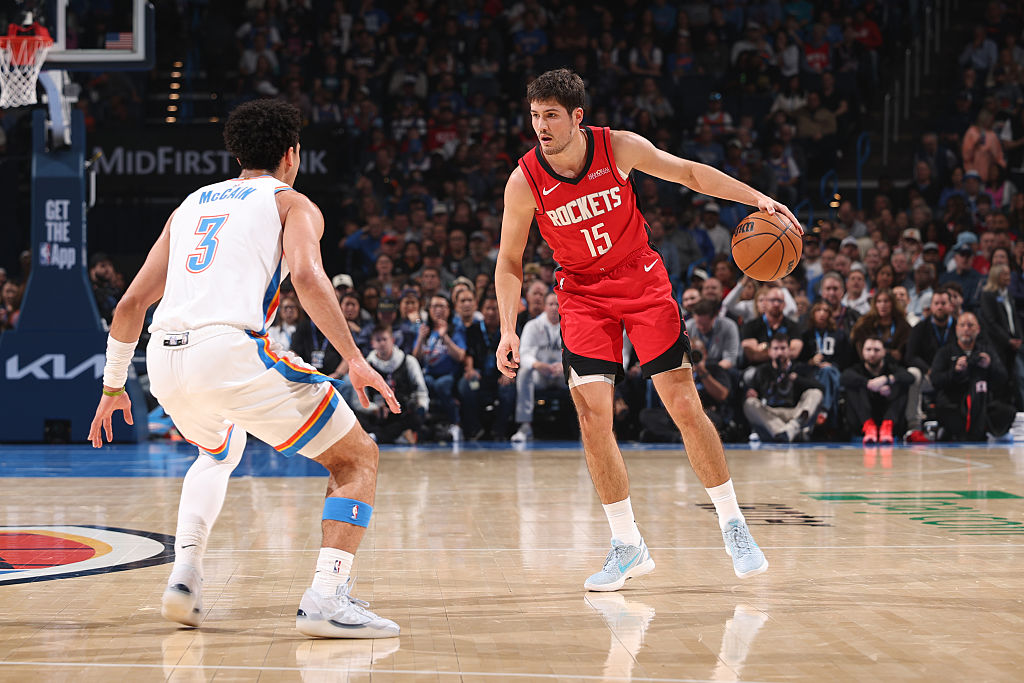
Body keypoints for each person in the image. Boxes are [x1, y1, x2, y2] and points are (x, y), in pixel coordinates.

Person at [87, 100, 400, 638]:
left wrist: (114, 385)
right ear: (291, 154)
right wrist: (353, 357)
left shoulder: (188, 206)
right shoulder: (291, 203)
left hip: (164, 358)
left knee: (218, 450)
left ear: (237, 153)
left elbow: (130, 305)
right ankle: (327, 596)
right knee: (356, 458)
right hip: (228, 350)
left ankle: (184, 577)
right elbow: (306, 274)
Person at [495, 69, 802, 588]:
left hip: (640, 280)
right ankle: (627, 544)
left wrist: (757, 200)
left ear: (576, 117)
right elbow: (508, 260)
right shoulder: (525, 181)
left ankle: (733, 523)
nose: (541, 127)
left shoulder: (619, 148)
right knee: (593, 420)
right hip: (583, 296)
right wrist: (509, 326)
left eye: (550, 116)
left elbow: (689, 173)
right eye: (534, 116)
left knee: (683, 405)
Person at [930, 312, 1015, 440]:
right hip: (954, 403)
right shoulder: (945, 352)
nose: (966, 329)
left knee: (1006, 411)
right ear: (956, 328)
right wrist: (955, 371)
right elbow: (935, 380)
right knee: (945, 412)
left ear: (978, 329)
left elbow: (1003, 378)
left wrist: (989, 366)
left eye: (970, 326)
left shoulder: (986, 350)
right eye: (962, 325)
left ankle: (988, 431)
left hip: (982, 404)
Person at [743, 334, 824, 443]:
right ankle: (788, 432)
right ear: (770, 351)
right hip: (771, 414)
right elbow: (752, 391)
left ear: (789, 350)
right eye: (776, 349)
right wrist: (751, 392)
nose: (780, 352)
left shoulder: (799, 368)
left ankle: (790, 429)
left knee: (815, 393)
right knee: (749, 403)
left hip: (795, 413)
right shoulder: (762, 370)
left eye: (783, 348)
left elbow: (820, 387)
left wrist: (797, 379)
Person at [511, 292, 567, 442]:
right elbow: (524, 353)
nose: (554, 308)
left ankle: (586, 427)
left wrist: (565, 366)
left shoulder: (570, 324)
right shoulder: (533, 326)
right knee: (523, 373)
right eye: (551, 304)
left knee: (582, 374)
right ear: (544, 306)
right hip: (540, 374)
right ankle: (524, 426)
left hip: (564, 374)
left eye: (557, 304)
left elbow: (578, 353)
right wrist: (537, 364)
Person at [841, 336, 914, 445]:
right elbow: (844, 377)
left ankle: (887, 427)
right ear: (862, 352)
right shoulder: (857, 369)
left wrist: (887, 380)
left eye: (876, 350)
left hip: (889, 418)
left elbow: (910, 377)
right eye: (868, 350)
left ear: (884, 352)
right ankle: (869, 427)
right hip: (863, 420)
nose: (872, 354)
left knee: (900, 383)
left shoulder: (891, 368)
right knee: (854, 385)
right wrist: (868, 384)